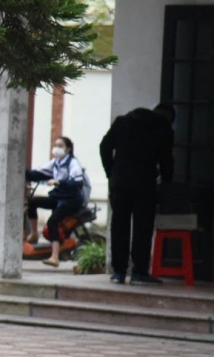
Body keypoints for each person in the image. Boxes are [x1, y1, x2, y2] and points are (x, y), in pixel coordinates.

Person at [100, 104, 175, 285]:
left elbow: (104, 146)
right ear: (168, 118)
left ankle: (118, 272)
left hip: (120, 183)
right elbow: (166, 159)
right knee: (143, 227)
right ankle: (139, 272)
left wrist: (112, 173)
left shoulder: (122, 122)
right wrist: (166, 183)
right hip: (144, 184)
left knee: (119, 225)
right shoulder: (162, 127)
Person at [25, 136, 86, 268]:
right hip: (59, 196)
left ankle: (55, 257)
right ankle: (34, 234)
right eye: (55, 145)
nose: (57, 148)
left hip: (71, 200)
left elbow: (77, 182)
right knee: (33, 202)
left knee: (53, 221)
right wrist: (21, 172)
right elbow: (38, 173)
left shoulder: (73, 163)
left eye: (60, 146)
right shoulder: (55, 162)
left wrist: (59, 182)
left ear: (68, 149)